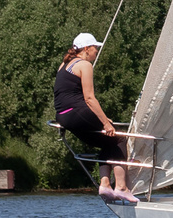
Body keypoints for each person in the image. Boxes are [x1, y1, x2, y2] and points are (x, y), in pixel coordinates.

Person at [56, 33, 136, 203]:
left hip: (63, 116)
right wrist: (106, 123)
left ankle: (105, 185)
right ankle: (121, 187)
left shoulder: (64, 65)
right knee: (118, 138)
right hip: (77, 111)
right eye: (95, 48)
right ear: (86, 49)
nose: (97, 52)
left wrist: (105, 121)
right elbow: (89, 98)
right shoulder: (84, 65)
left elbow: (63, 94)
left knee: (105, 141)